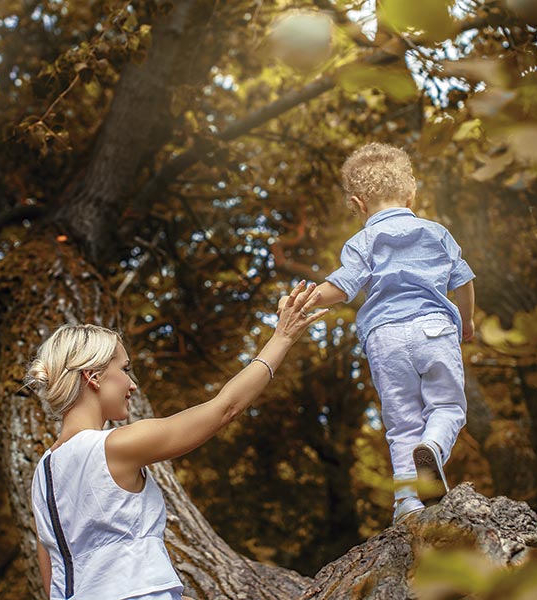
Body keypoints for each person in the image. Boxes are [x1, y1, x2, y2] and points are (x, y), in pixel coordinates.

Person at [24, 281, 327, 600]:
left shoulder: (42, 475)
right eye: (125, 369)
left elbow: (51, 571)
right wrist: (283, 337)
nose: (132, 385)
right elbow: (225, 409)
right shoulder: (116, 446)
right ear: (94, 376)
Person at [279, 142, 476, 525]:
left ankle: (407, 504)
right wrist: (467, 321)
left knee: (401, 423)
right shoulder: (436, 232)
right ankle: (433, 445)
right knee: (447, 407)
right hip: (434, 327)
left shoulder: (362, 242)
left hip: (385, 337)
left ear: (358, 202)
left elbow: (342, 285)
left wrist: (303, 299)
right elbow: (464, 281)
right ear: (410, 191)